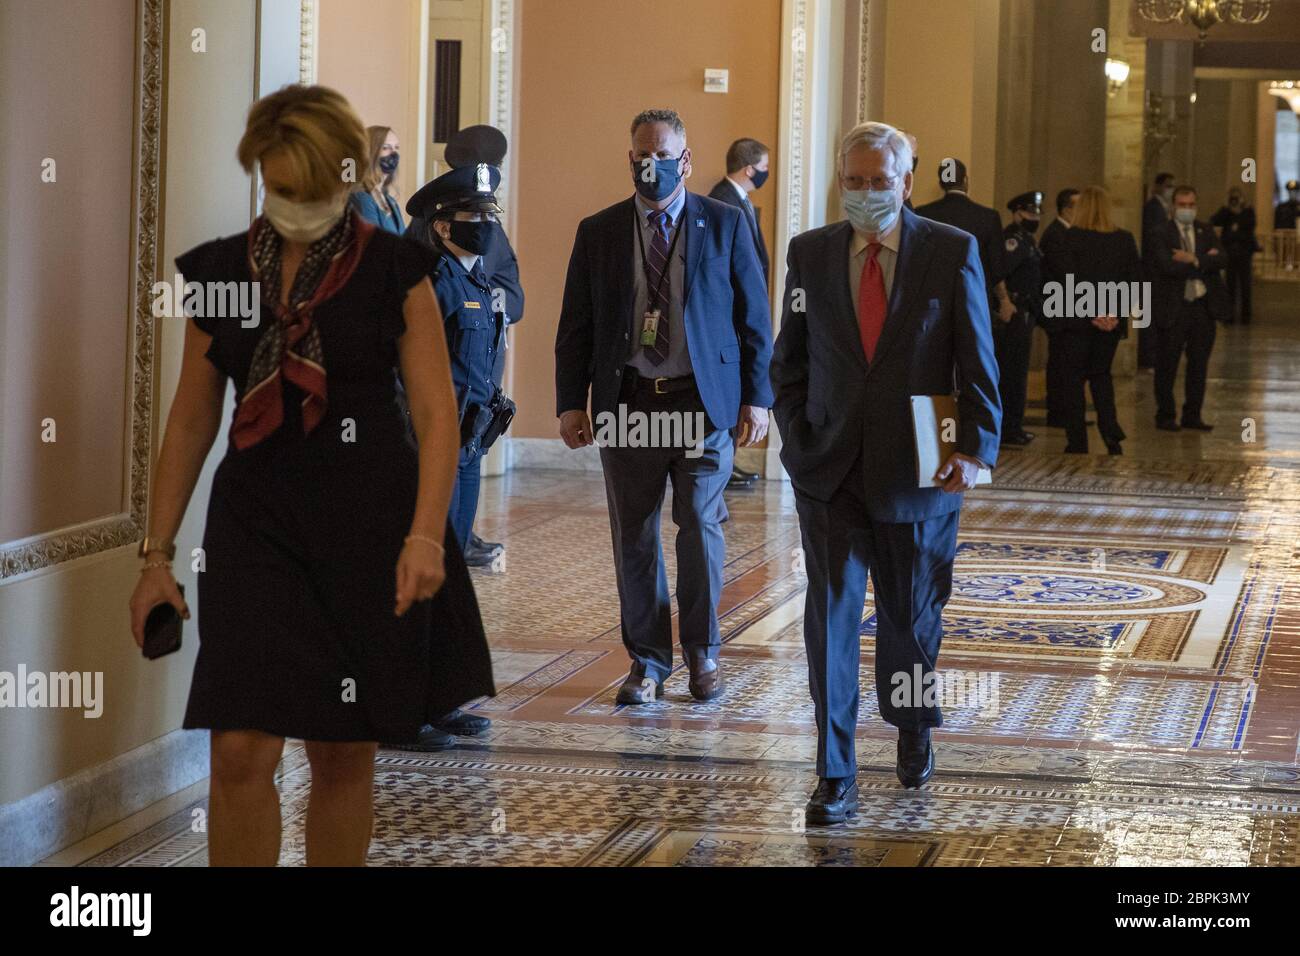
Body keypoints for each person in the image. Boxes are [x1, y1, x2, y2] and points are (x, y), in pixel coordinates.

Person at [127, 85, 493, 865]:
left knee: (340, 748)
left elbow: (436, 415)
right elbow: (192, 420)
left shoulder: (397, 267)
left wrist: (429, 533)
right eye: (278, 187)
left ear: (344, 176)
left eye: (309, 189)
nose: (292, 204)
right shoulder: (223, 270)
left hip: (371, 527)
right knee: (239, 752)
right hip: (255, 527)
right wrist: (155, 558)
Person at [770, 122, 1000, 824]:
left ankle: (912, 724)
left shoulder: (950, 251)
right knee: (830, 624)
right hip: (829, 472)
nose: (868, 193)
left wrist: (976, 448)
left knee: (909, 620)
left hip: (921, 473)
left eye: (880, 181)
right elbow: (792, 355)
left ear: (907, 180)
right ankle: (833, 772)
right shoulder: (809, 255)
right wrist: (796, 433)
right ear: (842, 182)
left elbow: (975, 357)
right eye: (855, 181)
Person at [555, 108, 772, 705]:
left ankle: (702, 652)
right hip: (629, 403)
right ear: (630, 160)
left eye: (664, 155)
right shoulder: (597, 231)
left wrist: (759, 396)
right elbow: (576, 324)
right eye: (642, 155)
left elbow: (754, 317)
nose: (652, 165)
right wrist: (572, 403)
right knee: (635, 534)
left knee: (700, 524)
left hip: (702, 402)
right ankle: (648, 660)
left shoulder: (726, 223)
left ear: (687, 160)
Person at [408, 125, 522, 568]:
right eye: (476, 218)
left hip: (470, 440)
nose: (487, 226)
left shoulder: (475, 279)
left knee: (453, 556)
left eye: (490, 216)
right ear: (442, 225)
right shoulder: (435, 281)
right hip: (435, 441)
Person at [1053, 186, 1137, 455]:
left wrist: (1092, 313)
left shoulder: (1070, 238)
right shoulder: (1124, 239)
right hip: (1109, 325)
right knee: (1101, 376)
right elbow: (1134, 281)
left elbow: (1065, 282)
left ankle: (1077, 442)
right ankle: (1111, 434)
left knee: (1073, 381)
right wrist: (1113, 314)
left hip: (1076, 323)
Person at [708, 137, 771, 489]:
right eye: (763, 169)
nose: (765, 175)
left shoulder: (741, 200)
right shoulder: (722, 200)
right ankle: (724, 464)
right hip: (730, 318)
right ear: (749, 169)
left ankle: (729, 462)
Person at [1149, 185, 1230, 431]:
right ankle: (1165, 414)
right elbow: (1166, 266)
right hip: (1174, 307)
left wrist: (1193, 259)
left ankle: (1192, 414)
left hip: (1202, 308)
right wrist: (1205, 261)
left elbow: (1222, 259)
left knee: (1198, 364)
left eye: (1191, 205)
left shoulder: (1205, 230)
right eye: (1182, 205)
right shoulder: (1161, 232)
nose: (1187, 209)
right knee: (1167, 364)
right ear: (1174, 207)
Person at [915, 159, 1017, 327]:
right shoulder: (988, 217)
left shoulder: (923, 214)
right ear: (965, 180)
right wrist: (1004, 300)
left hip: (934, 303)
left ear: (941, 183)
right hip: (976, 300)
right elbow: (996, 266)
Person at [998, 190, 1044, 447]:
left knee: (1019, 372)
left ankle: (1015, 425)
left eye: (1036, 212)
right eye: (1029, 212)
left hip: (1027, 310)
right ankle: (1008, 427)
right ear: (1016, 214)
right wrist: (1005, 301)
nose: (1034, 217)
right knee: (1011, 372)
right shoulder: (1013, 240)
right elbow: (1000, 272)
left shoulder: (1028, 240)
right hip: (1014, 313)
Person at [1039, 188, 1078, 428]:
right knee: (1059, 364)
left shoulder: (1069, 233)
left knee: (1067, 363)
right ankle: (1058, 413)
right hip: (1059, 309)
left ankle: (1066, 411)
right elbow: (1066, 272)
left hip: (1068, 309)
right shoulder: (1055, 234)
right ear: (1066, 209)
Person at [1139, 172, 1176, 370]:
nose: (1170, 190)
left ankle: (1154, 355)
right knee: (1148, 315)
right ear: (1158, 186)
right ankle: (1148, 357)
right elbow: (1154, 240)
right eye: (1168, 185)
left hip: (1160, 271)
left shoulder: (1165, 208)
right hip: (1152, 269)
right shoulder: (1153, 209)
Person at [1210, 186, 1257, 324]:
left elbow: (1250, 225)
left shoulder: (1248, 211)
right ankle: (1229, 316)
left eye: (1237, 197)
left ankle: (1246, 317)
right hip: (1229, 253)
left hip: (1244, 253)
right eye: (1233, 198)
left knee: (1245, 286)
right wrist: (1226, 209)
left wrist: (1239, 213)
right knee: (1229, 285)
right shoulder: (1226, 212)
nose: (1235, 200)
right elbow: (1214, 220)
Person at [351, 126, 405, 233]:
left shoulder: (391, 201)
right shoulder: (362, 198)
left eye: (396, 147)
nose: (394, 153)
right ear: (371, 152)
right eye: (386, 148)